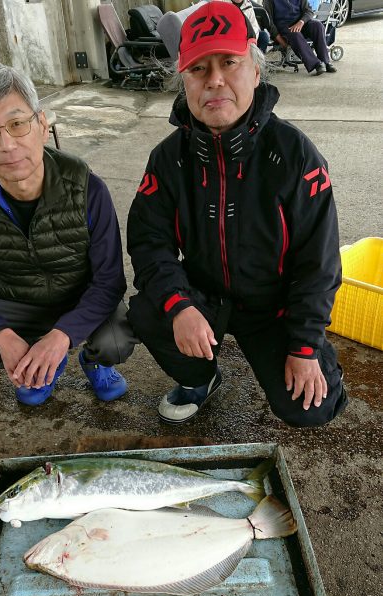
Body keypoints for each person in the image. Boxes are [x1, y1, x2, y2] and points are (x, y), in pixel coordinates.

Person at [127, 1, 347, 428]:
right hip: (203, 299)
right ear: (183, 80)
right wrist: (180, 306)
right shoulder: (168, 158)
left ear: (256, 71)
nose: (215, 80)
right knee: (146, 311)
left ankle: (306, 357)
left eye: (229, 62)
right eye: (198, 69)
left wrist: (303, 347)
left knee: (312, 409)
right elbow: (148, 242)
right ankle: (200, 379)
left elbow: (319, 263)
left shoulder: (296, 154)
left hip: (273, 308)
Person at [0, 63, 137, 406]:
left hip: (80, 297)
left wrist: (62, 336)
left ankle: (89, 360)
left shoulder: (86, 186)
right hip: (17, 301)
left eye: (18, 124)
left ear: (42, 125)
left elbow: (109, 282)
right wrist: (2, 336)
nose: (7, 145)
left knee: (116, 341)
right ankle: (41, 363)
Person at [263, 0, 336, 74]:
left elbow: (309, 11)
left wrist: (301, 22)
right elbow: (268, 22)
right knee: (295, 34)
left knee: (318, 25)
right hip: (284, 27)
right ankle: (316, 64)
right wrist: (278, 38)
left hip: (300, 23)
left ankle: (325, 62)